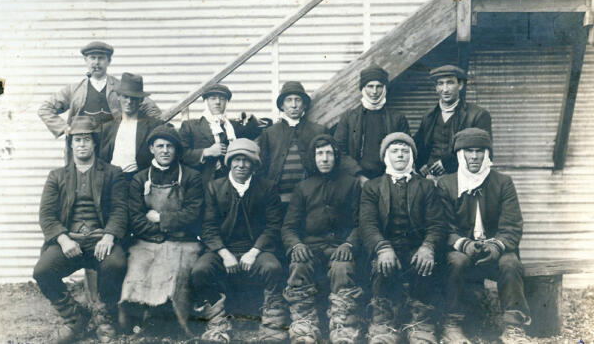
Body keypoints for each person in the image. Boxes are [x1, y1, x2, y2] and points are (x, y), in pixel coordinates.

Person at [32, 116, 128, 344]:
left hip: (100, 239)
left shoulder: (113, 173)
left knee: (116, 264)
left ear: (95, 143)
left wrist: (109, 235)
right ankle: (75, 318)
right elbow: (46, 215)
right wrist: (63, 239)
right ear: (71, 144)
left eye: (87, 139)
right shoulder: (57, 176)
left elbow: (120, 210)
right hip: (70, 240)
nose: (82, 144)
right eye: (77, 139)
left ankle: (104, 318)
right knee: (42, 271)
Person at [190, 138, 287, 342]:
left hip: (256, 249)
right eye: (236, 159)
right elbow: (208, 227)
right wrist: (224, 253)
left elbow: (273, 226)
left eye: (246, 160)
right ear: (229, 162)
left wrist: (254, 252)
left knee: (272, 268)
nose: (241, 165)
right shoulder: (214, 187)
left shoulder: (267, 188)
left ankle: (272, 324)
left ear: (254, 164)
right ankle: (216, 322)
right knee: (200, 270)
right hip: (222, 249)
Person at [438, 128, 530, 344]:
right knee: (455, 262)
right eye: (468, 151)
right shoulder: (446, 184)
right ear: (459, 154)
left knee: (510, 263)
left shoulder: (503, 182)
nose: (474, 157)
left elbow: (512, 225)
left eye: (479, 151)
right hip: (462, 251)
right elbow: (443, 227)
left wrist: (497, 246)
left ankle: (514, 328)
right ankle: (452, 325)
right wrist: (464, 244)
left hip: (495, 252)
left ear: (487, 154)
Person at [360, 132, 445, 344]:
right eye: (395, 151)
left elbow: (437, 223)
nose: (400, 155)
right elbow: (367, 224)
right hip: (387, 249)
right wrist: (382, 248)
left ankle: (421, 325)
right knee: (381, 269)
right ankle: (383, 324)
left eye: (405, 151)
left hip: (416, 248)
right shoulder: (372, 187)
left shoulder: (426, 186)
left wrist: (428, 247)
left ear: (412, 156)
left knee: (424, 268)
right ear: (385, 156)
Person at [119, 124, 204, 335]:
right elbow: (135, 218)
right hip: (147, 241)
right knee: (137, 273)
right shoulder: (140, 179)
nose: (165, 151)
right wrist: (161, 231)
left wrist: (161, 218)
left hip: (183, 241)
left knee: (175, 274)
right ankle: (139, 320)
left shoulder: (191, 177)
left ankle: (171, 321)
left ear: (176, 150)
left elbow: (193, 214)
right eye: (160, 146)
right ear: (151, 149)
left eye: (169, 146)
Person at [282, 134, 362, 344]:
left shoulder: (352, 184)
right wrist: (296, 245)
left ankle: (343, 328)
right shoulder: (303, 187)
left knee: (343, 268)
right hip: (311, 247)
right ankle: (304, 326)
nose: (324, 159)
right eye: (319, 154)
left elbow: (361, 223)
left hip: (340, 247)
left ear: (336, 156)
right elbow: (289, 227)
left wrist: (349, 244)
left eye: (328, 153)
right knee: (299, 265)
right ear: (313, 157)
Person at [38, 41, 161, 162]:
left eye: (101, 58)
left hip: (112, 148)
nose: (96, 63)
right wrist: (65, 128)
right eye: (92, 58)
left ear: (109, 61)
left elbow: (151, 109)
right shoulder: (74, 89)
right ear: (86, 60)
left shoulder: (120, 88)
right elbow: (45, 109)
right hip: (84, 148)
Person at [257, 81, 328, 208]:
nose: (294, 105)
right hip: (277, 200)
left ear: (304, 105)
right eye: (289, 100)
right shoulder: (270, 133)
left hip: (311, 199)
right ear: (282, 105)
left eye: (298, 100)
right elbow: (262, 168)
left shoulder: (318, 131)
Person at [334, 65, 410, 184]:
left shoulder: (397, 118)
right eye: (370, 86)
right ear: (363, 88)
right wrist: (358, 175)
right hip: (357, 180)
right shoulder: (349, 117)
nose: (374, 91)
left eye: (379, 86)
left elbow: (406, 150)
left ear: (384, 88)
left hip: (390, 180)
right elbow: (338, 149)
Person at [413, 65, 491, 178]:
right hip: (430, 179)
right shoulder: (429, 116)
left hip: (461, 178)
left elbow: (484, 153)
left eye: (450, 83)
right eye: (440, 83)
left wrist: (447, 164)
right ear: (436, 88)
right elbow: (417, 146)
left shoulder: (478, 115)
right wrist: (420, 164)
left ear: (460, 85)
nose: (445, 89)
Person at [180, 83, 261, 185]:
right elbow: (181, 154)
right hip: (201, 182)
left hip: (228, 182)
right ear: (206, 101)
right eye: (213, 98)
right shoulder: (190, 126)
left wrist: (250, 117)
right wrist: (206, 152)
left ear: (227, 103)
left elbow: (255, 131)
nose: (218, 102)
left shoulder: (233, 126)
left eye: (222, 99)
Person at [99, 72, 163, 182]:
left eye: (134, 98)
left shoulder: (152, 126)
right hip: (112, 180)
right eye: (125, 97)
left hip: (138, 180)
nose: (129, 102)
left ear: (141, 100)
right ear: (118, 97)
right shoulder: (108, 128)